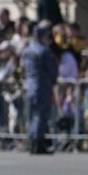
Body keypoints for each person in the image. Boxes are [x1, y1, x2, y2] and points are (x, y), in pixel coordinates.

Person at [22, 24, 59, 154]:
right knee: (41, 115)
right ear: (43, 36)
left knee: (33, 115)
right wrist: (54, 80)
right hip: (42, 85)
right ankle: (38, 144)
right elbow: (51, 69)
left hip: (31, 85)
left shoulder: (27, 50)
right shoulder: (44, 50)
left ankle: (32, 142)